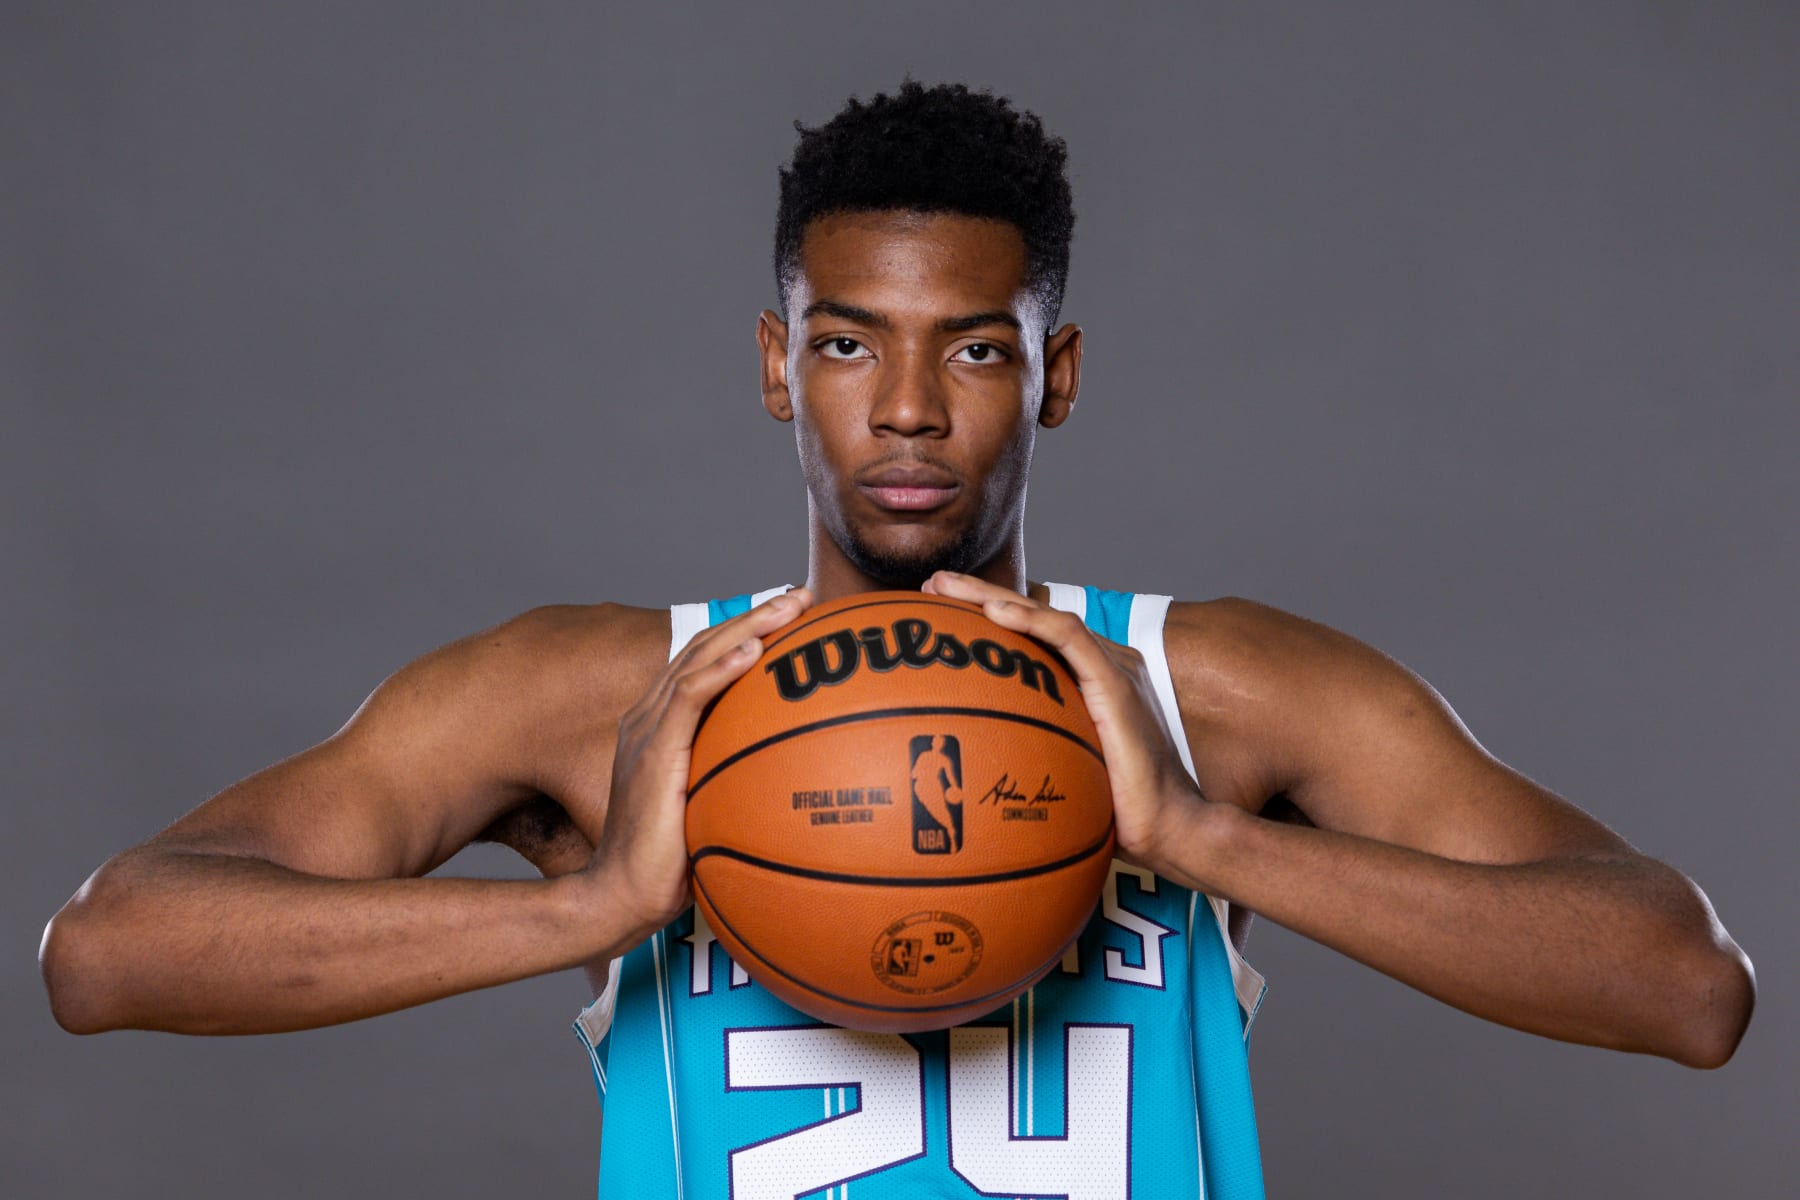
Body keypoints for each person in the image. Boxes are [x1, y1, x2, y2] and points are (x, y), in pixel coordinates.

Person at [39, 80, 1754, 1199]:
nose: (913, 412)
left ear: (1057, 375)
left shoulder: (1209, 691)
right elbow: (112, 952)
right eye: (852, 349)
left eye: (980, 350)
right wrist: (591, 907)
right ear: (781, 369)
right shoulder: (607, 703)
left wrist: (1201, 839)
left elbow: (1686, 987)